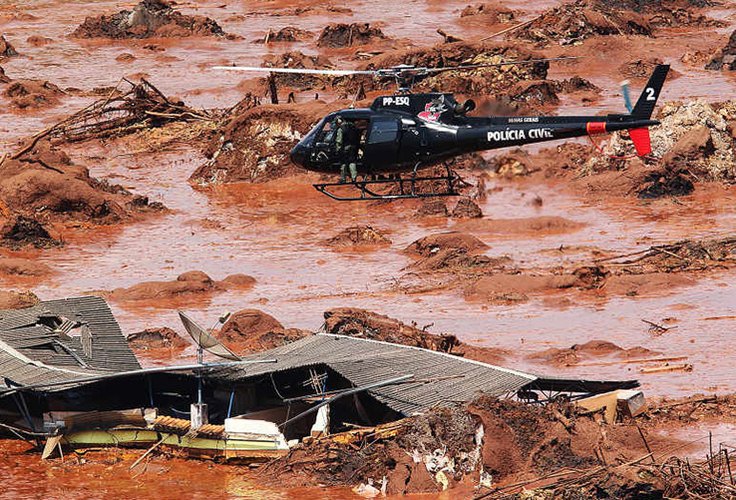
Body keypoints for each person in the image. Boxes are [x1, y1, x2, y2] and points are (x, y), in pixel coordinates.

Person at [334, 116, 359, 182]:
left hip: (345, 148)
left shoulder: (341, 129)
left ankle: (343, 178)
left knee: (343, 163)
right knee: (352, 162)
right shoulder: (353, 127)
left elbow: (339, 141)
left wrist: (338, 149)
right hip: (353, 147)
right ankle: (354, 178)